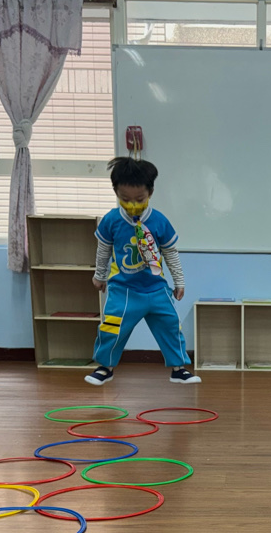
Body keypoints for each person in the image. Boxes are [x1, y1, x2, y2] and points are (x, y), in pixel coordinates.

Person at [85, 157, 200, 386]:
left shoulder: (159, 221)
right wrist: (99, 275)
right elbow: (103, 250)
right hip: (123, 289)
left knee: (170, 325)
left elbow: (170, 253)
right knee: (112, 327)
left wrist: (179, 282)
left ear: (150, 193)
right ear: (116, 192)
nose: (132, 205)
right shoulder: (111, 220)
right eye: (125, 199)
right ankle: (105, 367)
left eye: (139, 199)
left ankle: (178, 369)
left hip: (156, 288)